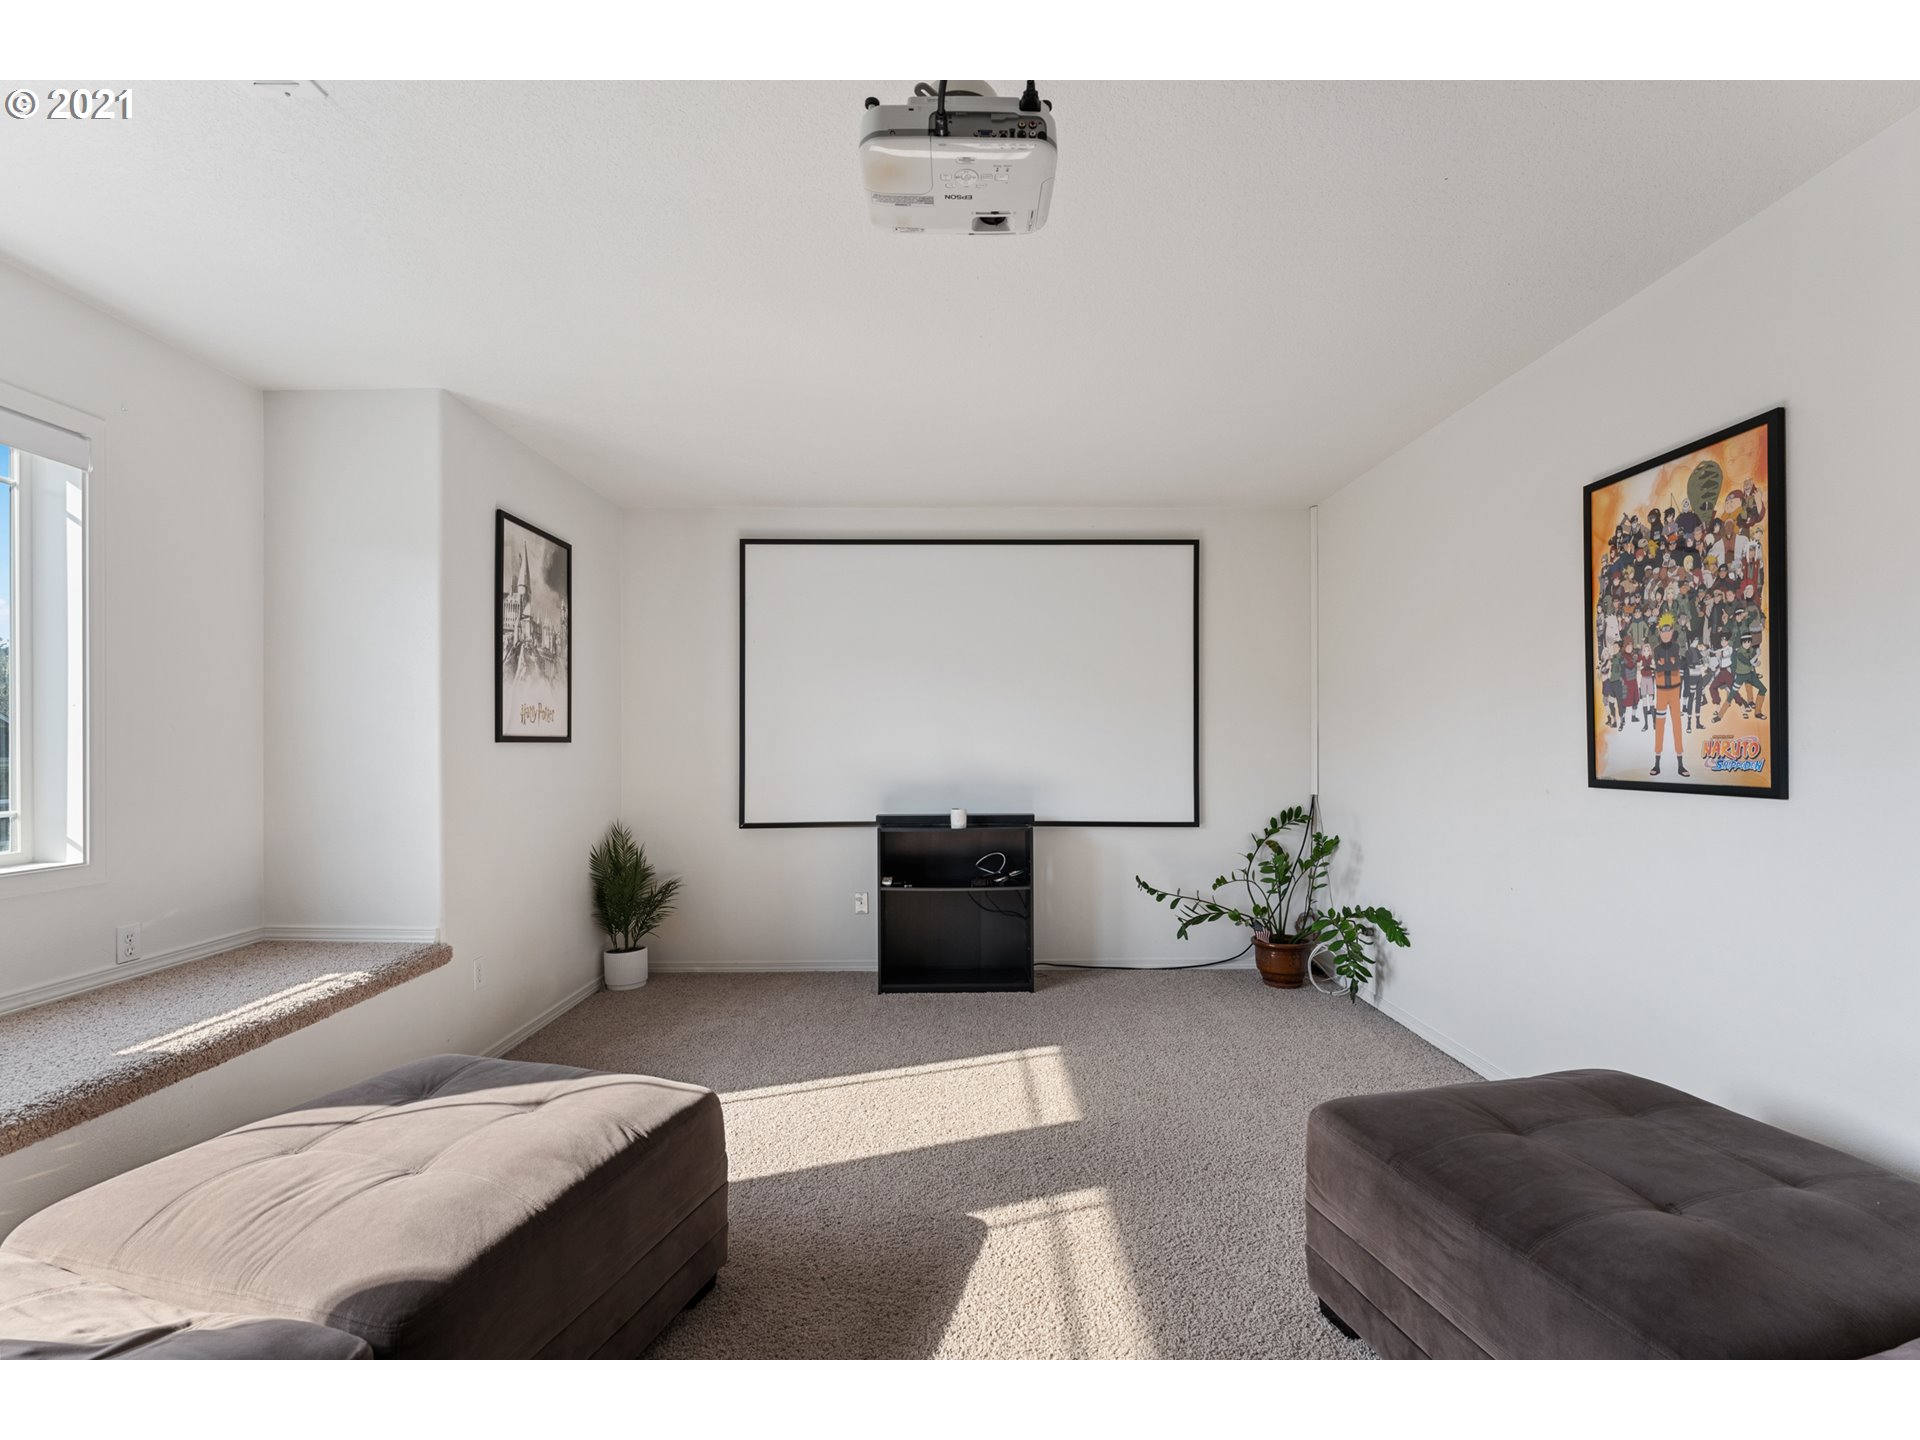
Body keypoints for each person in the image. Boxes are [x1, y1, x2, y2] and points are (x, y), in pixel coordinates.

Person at [1648, 613, 1690, 777]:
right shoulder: (1657, 649)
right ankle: (1657, 763)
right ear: (1659, 631)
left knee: (1677, 726)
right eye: (1662, 629)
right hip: (1661, 692)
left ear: (1672, 631)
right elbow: (1662, 668)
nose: (1665, 632)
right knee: (1660, 727)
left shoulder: (1675, 648)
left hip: (1674, 692)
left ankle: (1680, 764)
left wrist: (1666, 665)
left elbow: (1673, 666)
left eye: (1668, 629)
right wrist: (1668, 665)